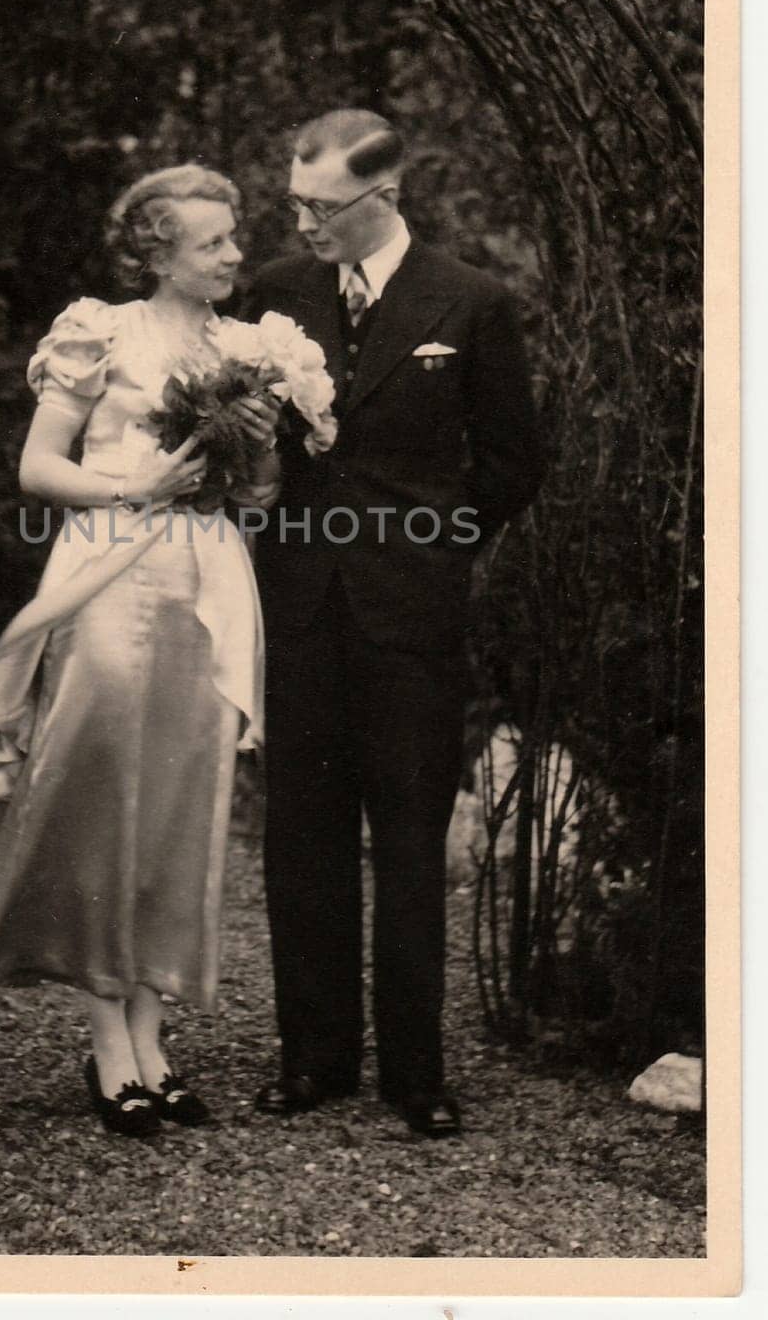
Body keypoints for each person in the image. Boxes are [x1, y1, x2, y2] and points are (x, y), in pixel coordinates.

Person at [0, 164, 279, 1139]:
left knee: (182, 798)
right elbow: (39, 466)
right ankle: (107, 1043)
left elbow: (258, 491)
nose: (232, 254)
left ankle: (153, 1035)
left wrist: (249, 466)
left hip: (205, 583)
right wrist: (141, 486)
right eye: (213, 241)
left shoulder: (247, 347)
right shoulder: (102, 328)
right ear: (159, 249)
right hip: (111, 577)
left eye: (232, 238)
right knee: (99, 793)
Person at [242, 109, 544, 1136]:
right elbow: (253, 440)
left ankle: (417, 1073)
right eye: (297, 202)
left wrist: (433, 542)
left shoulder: (472, 300)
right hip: (299, 608)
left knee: (410, 840)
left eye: (324, 207)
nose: (305, 221)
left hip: (412, 615)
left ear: (387, 195)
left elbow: (515, 459)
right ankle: (314, 1058)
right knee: (302, 840)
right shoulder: (275, 297)